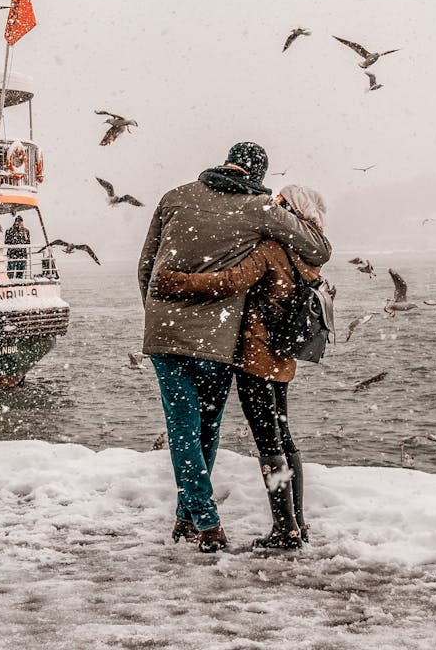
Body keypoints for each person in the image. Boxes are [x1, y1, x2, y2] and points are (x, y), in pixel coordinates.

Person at [138, 144, 331, 553]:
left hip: (245, 354)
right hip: (269, 357)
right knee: (273, 437)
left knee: (245, 439)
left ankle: (259, 524)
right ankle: (289, 523)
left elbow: (225, 280)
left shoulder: (182, 201)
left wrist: (169, 291)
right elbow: (319, 250)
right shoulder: (287, 242)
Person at [4, 215, 30, 279]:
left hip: (22, 255)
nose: (19, 223)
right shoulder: (9, 230)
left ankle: (19, 283)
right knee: (10, 273)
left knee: (20, 274)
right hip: (12, 255)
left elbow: (28, 243)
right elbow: (6, 241)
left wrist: (26, 237)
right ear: (15, 222)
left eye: (21, 221)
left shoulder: (26, 231)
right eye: (18, 221)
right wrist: (14, 237)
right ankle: (9, 283)